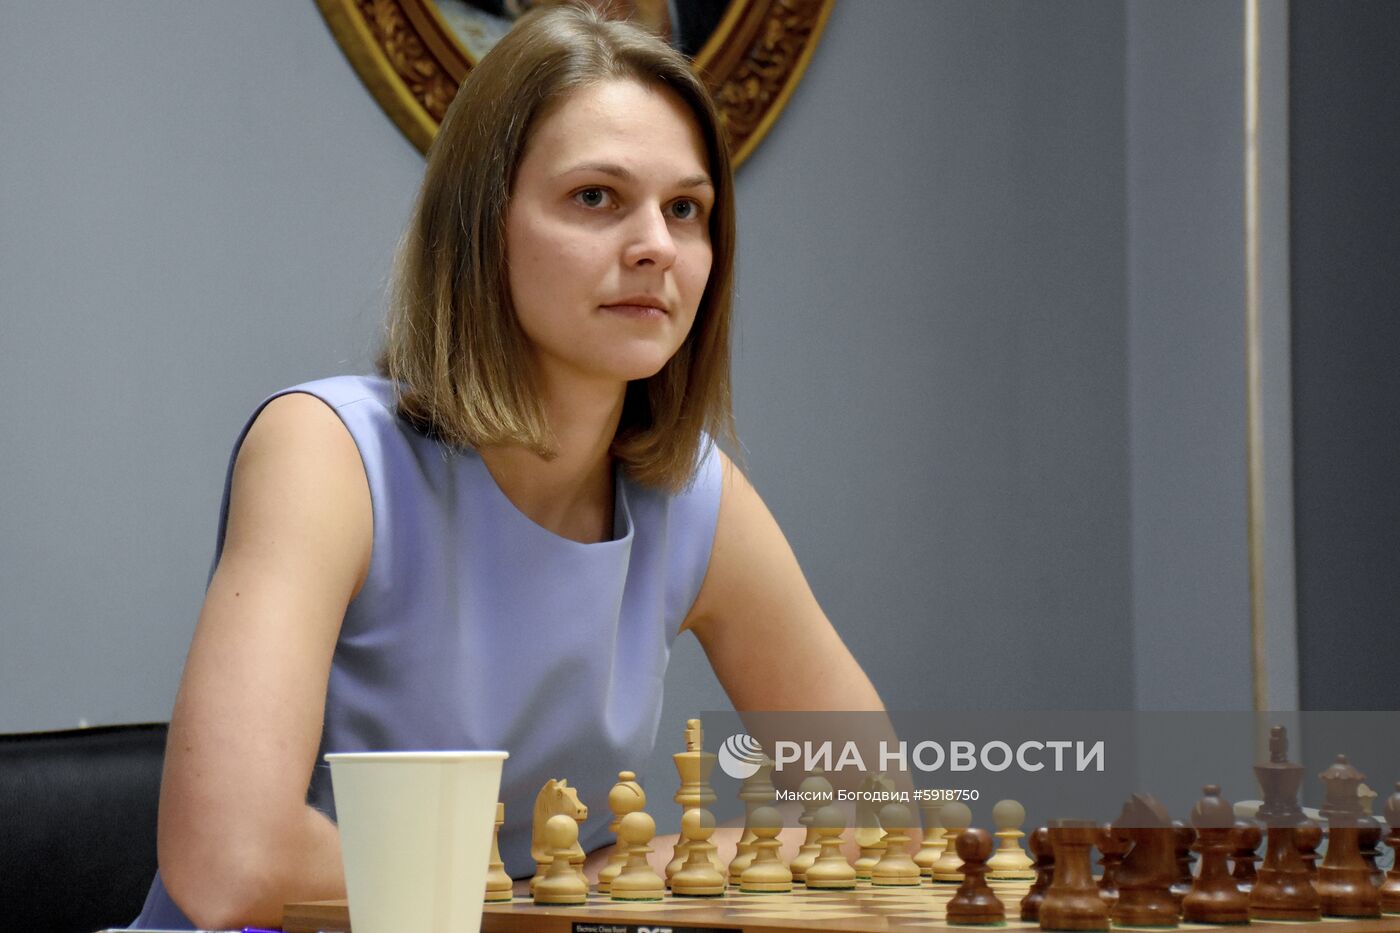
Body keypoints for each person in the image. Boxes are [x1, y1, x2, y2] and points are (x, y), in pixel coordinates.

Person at [130, 4, 881, 929]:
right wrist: (553, 900)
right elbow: (230, 863)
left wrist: (585, 887)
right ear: (483, 226)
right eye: (595, 197)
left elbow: (874, 809)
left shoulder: (691, 492)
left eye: (685, 209)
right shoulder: (326, 451)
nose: (655, 244)